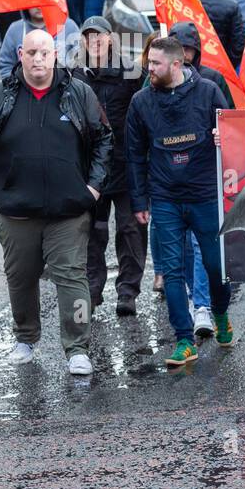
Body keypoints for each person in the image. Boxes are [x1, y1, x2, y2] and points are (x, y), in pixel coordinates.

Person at [0, 29, 113, 375]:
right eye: (31, 52)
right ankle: (25, 337)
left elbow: (104, 139)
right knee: (20, 277)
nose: (37, 59)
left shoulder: (79, 93)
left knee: (72, 277)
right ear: (20, 54)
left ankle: (77, 347)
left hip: (68, 209)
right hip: (15, 209)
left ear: (56, 55)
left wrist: (93, 187)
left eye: (44, 53)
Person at [126, 36, 234, 366]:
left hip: (204, 194)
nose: (149, 68)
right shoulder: (141, 102)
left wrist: (223, 135)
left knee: (217, 268)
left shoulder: (208, 92)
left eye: (155, 63)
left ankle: (219, 313)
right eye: (148, 62)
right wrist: (139, 200)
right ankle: (184, 340)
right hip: (165, 197)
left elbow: (235, 131)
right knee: (172, 271)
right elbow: (133, 154)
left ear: (176, 65)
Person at [74, 16, 147, 316]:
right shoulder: (76, 74)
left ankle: (127, 291)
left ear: (110, 38)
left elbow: (144, 110)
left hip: (127, 163)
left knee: (130, 229)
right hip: (92, 167)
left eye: (99, 36)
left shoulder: (131, 72)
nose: (95, 41)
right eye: (88, 37)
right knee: (93, 231)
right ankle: (93, 290)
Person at [0, 8, 82, 81]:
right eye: (34, 3)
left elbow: (81, 60)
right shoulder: (15, 29)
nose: (39, 7)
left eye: (43, 2)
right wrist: (14, 87)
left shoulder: (68, 26)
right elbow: (6, 64)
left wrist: (72, 87)